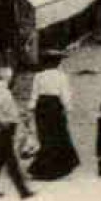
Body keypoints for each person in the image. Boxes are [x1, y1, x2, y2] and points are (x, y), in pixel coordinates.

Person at [26, 53, 80, 181]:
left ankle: (42, 169)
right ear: (57, 63)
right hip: (54, 106)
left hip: (42, 107)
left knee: (45, 136)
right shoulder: (61, 76)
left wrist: (31, 108)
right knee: (58, 136)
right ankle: (56, 169)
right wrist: (68, 108)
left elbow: (34, 94)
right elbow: (65, 94)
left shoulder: (38, 76)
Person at [0, 67, 32, 199]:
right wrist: (3, 122)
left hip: (1, 129)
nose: (12, 79)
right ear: (5, 78)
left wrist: (17, 114)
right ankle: (23, 191)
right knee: (9, 162)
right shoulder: (0, 90)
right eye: (10, 77)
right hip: (1, 130)